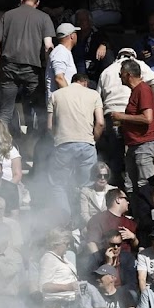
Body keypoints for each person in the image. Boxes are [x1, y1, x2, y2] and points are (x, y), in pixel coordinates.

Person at [0, 0, 56, 132]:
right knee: (38, 110)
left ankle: (1, 145)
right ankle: (39, 146)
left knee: (6, 111)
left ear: (21, 0)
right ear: (37, 3)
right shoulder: (44, 17)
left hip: (8, 68)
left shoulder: (7, 15)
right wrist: (47, 70)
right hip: (32, 70)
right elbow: (48, 46)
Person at [47, 73, 104, 216]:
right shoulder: (94, 95)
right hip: (87, 143)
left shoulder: (55, 95)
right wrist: (93, 140)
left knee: (59, 185)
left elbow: (49, 126)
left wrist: (58, 138)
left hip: (63, 143)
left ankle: (65, 220)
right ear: (84, 82)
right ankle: (85, 219)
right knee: (87, 186)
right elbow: (100, 123)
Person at [110, 60, 154, 192]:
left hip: (145, 145)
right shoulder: (136, 91)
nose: (119, 76)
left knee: (146, 186)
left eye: (120, 73)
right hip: (134, 145)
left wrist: (122, 116)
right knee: (131, 187)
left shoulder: (143, 90)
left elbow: (147, 118)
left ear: (127, 74)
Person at [84, 188, 138, 255]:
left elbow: (135, 246)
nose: (128, 202)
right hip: (105, 259)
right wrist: (98, 259)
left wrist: (133, 237)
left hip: (127, 260)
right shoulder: (98, 219)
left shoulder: (129, 222)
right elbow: (91, 242)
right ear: (118, 200)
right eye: (126, 199)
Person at [45, 23, 79, 104]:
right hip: (61, 103)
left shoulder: (63, 52)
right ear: (72, 36)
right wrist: (70, 99)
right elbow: (59, 78)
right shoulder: (61, 52)